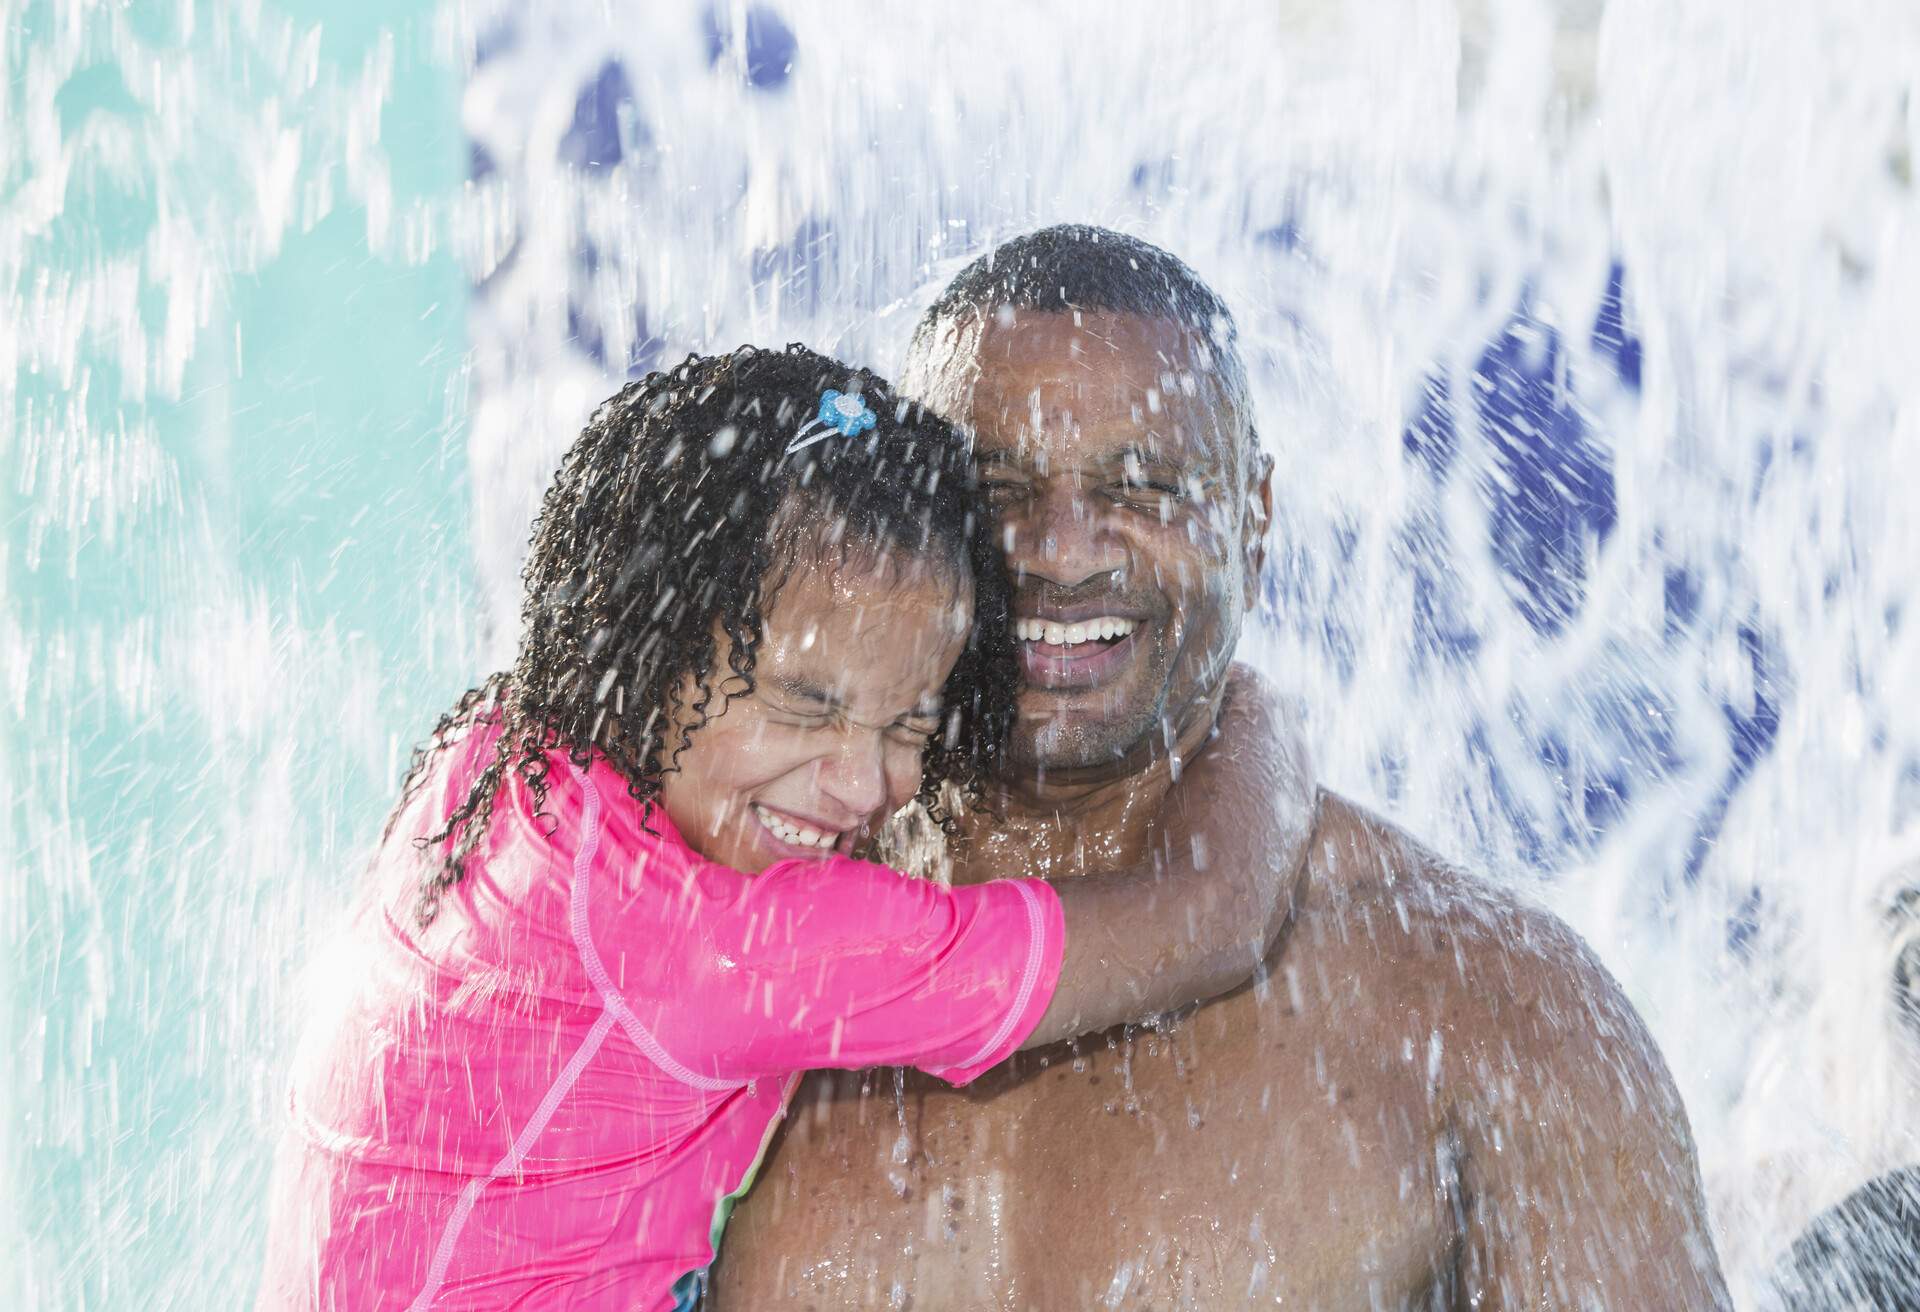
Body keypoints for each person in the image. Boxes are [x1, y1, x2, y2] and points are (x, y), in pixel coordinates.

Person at [713, 227, 1734, 1308]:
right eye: (995, 487)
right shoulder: (727, 934)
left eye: (1144, 487)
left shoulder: (1489, 1009)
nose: (1062, 551)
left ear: (1253, 520)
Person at [256, 344, 1305, 1310]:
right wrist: (1255, 707)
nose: (864, 780)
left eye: (912, 722)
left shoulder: (496, 752)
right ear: (657, 641)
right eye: (806, 705)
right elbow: (1212, 914)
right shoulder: (729, 952)